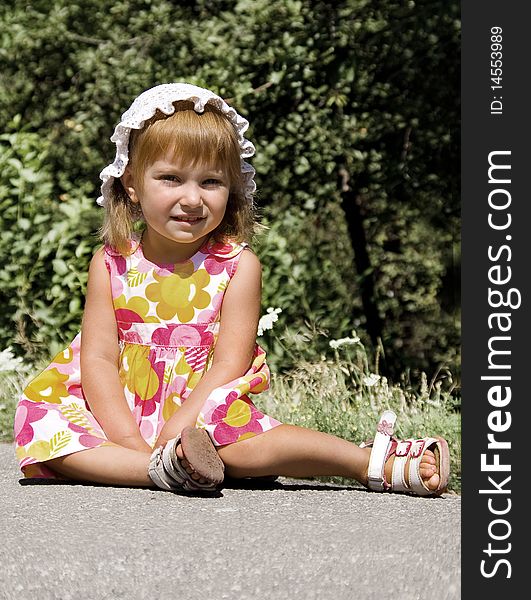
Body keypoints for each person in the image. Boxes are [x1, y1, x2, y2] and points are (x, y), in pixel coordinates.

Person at [13, 83, 449, 496]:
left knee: (257, 443)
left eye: (210, 182)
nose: (191, 199)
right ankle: (157, 470)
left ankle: (370, 462)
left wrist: (177, 428)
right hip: (115, 408)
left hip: (201, 409)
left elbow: (229, 362)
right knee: (45, 427)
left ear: (231, 188)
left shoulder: (237, 266)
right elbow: (98, 357)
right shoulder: (111, 263)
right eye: (170, 178)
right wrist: (126, 436)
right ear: (132, 185)